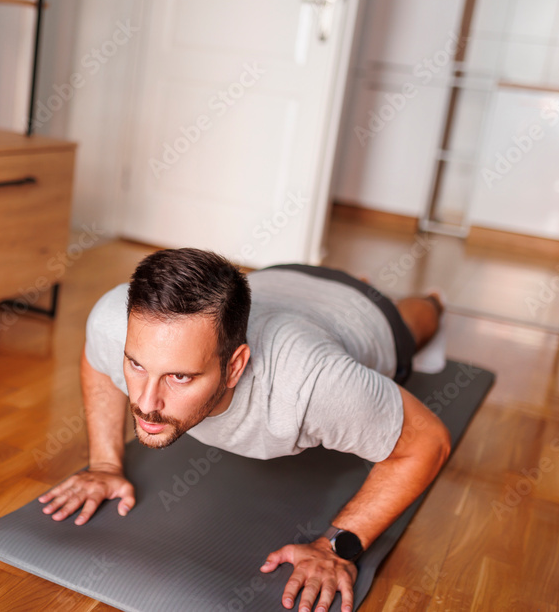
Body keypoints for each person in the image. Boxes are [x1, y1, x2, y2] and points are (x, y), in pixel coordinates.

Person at [38, 248, 451, 612]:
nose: (146, 403)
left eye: (180, 377)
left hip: (364, 311)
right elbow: (97, 358)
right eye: (137, 365)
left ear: (235, 366)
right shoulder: (116, 319)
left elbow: (427, 442)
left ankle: (424, 299)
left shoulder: (313, 382)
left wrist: (334, 547)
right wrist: (105, 464)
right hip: (279, 277)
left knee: (415, 323)